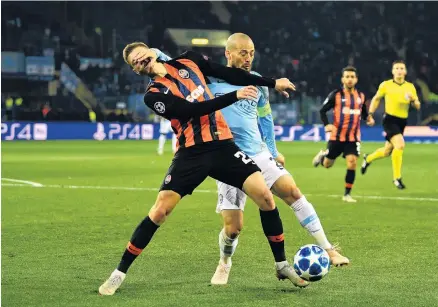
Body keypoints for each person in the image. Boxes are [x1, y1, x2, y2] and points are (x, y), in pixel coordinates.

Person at [99, 42, 307, 296]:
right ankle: (118, 273)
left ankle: (281, 265)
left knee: (265, 197)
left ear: (152, 51)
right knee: (161, 210)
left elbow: (230, 73)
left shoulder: (190, 60)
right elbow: (190, 110)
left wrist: (272, 83)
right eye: (135, 62)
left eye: (142, 55)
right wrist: (235, 96)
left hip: (223, 146)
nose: (141, 60)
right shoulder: (153, 95)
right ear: (135, 70)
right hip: (192, 153)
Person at [154, 33, 350, 286]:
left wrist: (272, 150)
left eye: (252, 53)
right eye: (243, 53)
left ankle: (328, 248)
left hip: (257, 153)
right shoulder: (208, 79)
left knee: (292, 192)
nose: (248, 58)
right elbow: (175, 67)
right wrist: (151, 54)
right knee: (233, 228)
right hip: (225, 155)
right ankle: (224, 261)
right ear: (228, 53)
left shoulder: (257, 82)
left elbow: (265, 119)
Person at [312, 66, 375, 203]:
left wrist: (368, 118)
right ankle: (323, 155)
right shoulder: (336, 95)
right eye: (347, 76)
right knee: (328, 164)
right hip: (337, 137)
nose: (350, 79)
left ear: (356, 79)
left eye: (352, 77)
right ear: (343, 79)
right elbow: (322, 110)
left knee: (352, 162)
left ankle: (347, 194)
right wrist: (327, 124)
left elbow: (363, 112)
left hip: (353, 138)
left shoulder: (361, 96)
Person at [361, 60, 421, 189]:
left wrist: (413, 100)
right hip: (389, 120)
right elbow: (376, 98)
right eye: (397, 68)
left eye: (401, 68)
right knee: (400, 145)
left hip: (402, 121)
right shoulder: (386, 85)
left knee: (388, 151)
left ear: (405, 71)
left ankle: (368, 158)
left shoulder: (410, 87)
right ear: (393, 71)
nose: (399, 70)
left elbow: (417, 105)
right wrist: (370, 113)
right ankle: (397, 178)